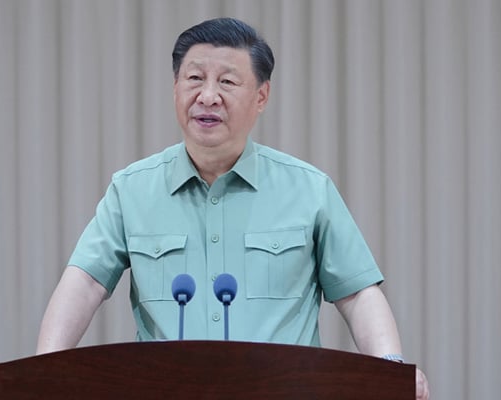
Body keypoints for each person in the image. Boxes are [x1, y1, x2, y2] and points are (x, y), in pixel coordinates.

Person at [37, 17, 429, 399]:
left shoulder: (308, 189)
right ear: (175, 88)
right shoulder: (132, 190)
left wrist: (390, 367)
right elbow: (84, 283)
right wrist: (45, 372)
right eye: (194, 79)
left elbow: (358, 294)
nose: (208, 96)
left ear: (261, 96)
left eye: (226, 81)